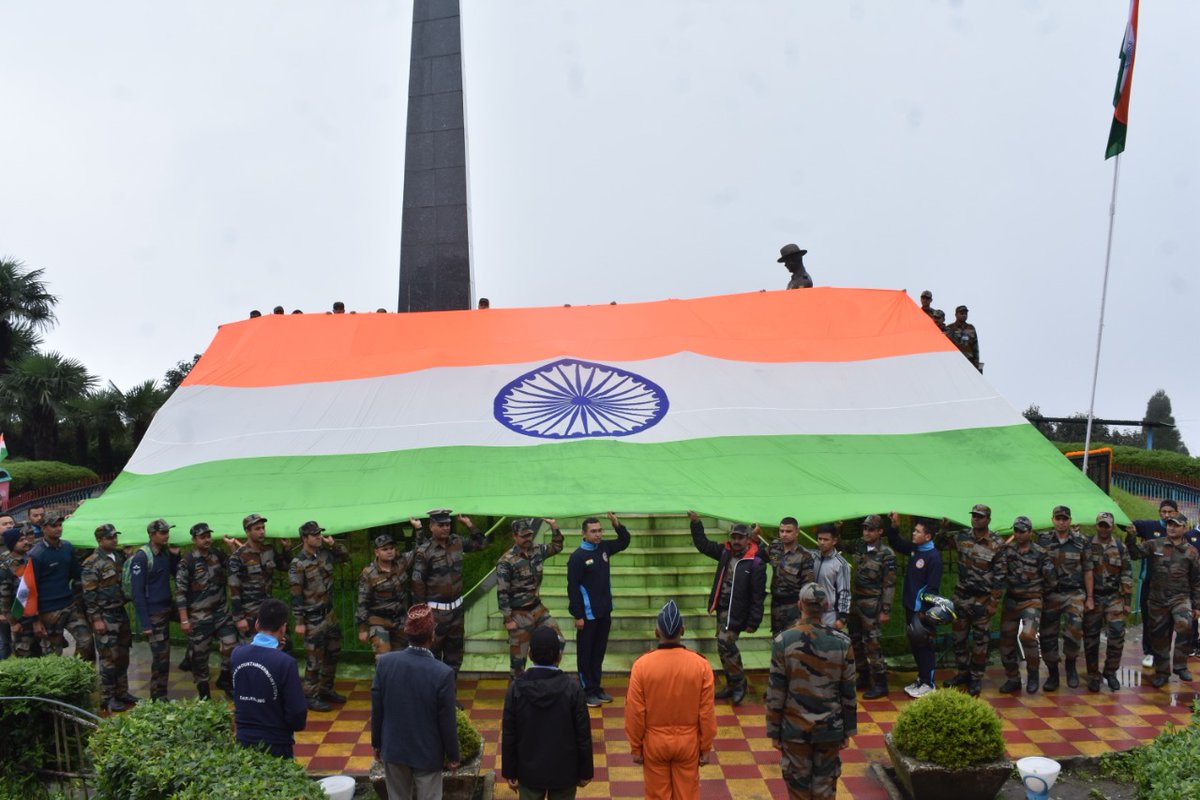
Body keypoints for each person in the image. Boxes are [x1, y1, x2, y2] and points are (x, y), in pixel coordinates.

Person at [766, 582, 857, 800]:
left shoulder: (784, 641)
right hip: (830, 728)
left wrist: (773, 730)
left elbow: (775, 693)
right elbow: (848, 692)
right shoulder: (843, 643)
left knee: (798, 789)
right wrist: (848, 730)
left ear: (800, 605)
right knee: (825, 789)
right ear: (826, 606)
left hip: (794, 729)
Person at [624, 600, 716, 800]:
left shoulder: (642, 666)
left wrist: (636, 747)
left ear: (657, 632)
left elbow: (635, 712)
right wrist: (705, 747)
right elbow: (706, 712)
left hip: (654, 742)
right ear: (683, 630)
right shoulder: (701, 666)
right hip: (689, 742)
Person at [372, 604, 461, 800]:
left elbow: (377, 708)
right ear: (432, 635)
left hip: (394, 749)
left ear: (407, 633)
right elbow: (447, 720)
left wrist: (377, 743)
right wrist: (453, 756)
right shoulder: (443, 673)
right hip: (428, 754)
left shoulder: (385, 663)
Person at [502, 626, 593, 799]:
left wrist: (509, 771)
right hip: (564, 773)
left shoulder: (516, 688)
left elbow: (509, 734)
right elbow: (583, 735)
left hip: (528, 773)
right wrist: (585, 771)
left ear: (529, 654)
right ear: (559, 656)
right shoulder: (573, 689)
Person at [688, 510, 766, 705]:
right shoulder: (725, 552)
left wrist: (754, 621)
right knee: (722, 646)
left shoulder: (755, 562)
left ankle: (740, 684)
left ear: (749, 539)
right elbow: (703, 545)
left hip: (738, 612)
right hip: (723, 609)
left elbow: (758, 595)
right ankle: (732, 685)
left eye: (741, 538)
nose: (737, 541)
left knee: (726, 644)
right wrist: (696, 523)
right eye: (734, 537)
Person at [411, 509, 490, 679]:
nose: (445, 528)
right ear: (431, 526)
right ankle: (432, 698)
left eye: (447, 524)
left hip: (456, 612)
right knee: (432, 656)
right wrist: (422, 615)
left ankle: (449, 697)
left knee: (454, 656)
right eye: (441, 525)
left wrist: (469, 524)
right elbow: (418, 584)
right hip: (435, 614)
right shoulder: (425, 551)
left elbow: (482, 544)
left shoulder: (457, 542)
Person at [1125, 513, 1200, 688]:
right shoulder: (1155, 544)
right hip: (1157, 599)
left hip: (1180, 598)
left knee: (1185, 624)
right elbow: (1134, 553)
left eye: (1176, 525)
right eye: (1169, 524)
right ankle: (1162, 672)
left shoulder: (1191, 552)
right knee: (1159, 636)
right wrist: (1131, 536)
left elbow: (1197, 580)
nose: (1172, 527)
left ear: (1184, 528)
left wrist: (1197, 605)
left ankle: (1180, 666)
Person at [566, 512, 631, 707]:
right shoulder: (577, 557)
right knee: (585, 654)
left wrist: (616, 523)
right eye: (594, 531)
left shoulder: (603, 548)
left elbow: (624, 541)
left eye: (600, 530)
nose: (598, 534)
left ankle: (596, 687)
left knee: (598, 653)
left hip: (604, 612)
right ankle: (587, 691)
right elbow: (572, 588)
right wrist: (578, 615)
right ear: (584, 533)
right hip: (587, 615)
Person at [230, 597, 308, 758]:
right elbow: (297, 711)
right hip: (276, 743)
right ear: (283, 628)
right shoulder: (285, 663)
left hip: (243, 739)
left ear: (257, 624)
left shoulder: (236, 654)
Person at [939, 503, 1003, 697]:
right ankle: (963, 672)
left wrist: (993, 602)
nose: (976, 519)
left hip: (982, 600)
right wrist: (943, 528)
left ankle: (976, 677)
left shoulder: (996, 543)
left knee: (980, 640)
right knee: (959, 638)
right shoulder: (962, 536)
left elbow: (1000, 576)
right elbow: (940, 544)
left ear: (988, 520)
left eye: (980, 516)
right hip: (961, 597)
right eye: (974, 515)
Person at [288, 520, 350, 712]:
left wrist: (333, 544)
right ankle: (310, 695)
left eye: (320, 534)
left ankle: (326, 689)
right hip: (312, 617)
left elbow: (346, 557)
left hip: (329, 614)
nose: (319, 537)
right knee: (315, 659)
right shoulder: (298, 563)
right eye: (315, 535)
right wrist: (299, 621)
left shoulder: (325, 554)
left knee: (333, 652)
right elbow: (296, 594)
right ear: (305, 538)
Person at [175, 522, 238, 699]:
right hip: (199, 617)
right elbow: (180, 592)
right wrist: (184, 619)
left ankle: (225, 679)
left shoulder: (217, 555)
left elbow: (234, 566)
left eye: (208, 536)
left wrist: (232, 548)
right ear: (194, 540)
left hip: (221, 613)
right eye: (202, 537)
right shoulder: (187, 562)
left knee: (231, 645)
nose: (207, 540)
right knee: (200, 657)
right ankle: (204, 693)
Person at [497, 518, 565, 679]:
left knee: (559, 641)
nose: (528, 539)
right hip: (519, 615)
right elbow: (502, 592)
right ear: (515, 536)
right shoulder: (506, 561)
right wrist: (508, 619)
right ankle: (516, 697)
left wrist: (554, 527)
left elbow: (557, 546)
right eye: (524, 536)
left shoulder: (537, 550)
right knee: (518, 664)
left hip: (538, 609)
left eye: (530, 535)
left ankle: (545, 675)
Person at [884, 513, 943, 697]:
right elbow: (896, 542)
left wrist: (924, 613)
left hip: (922, 612)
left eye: (917, 531)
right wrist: (893, 525)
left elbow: (932, 589)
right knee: (915, 645)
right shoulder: (915, 550)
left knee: (925, 645)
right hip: (910, 608)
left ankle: (929, 683)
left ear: (928, 536)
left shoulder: (934, 557)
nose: (913, 534)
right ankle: (922, 678)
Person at [995, 516, 1055, 694]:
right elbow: (998, 572)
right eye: (1016, 531)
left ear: (1030, 532)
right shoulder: (1007, 551)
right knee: (1006, 641)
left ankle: (1033, 675)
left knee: (1028, 636)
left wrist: (1038, 592)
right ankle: (1013, 678)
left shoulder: (1040, 553)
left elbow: (1051, 580)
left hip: (1031, 600)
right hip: (1012, 600)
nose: (1019, 534)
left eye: (1022, 531)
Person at [1037, 505, 1094, 691]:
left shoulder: (1081, 541)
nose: (1061, 522)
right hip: (1050, 594)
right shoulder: (1043, 540)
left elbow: (1088, 570)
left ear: (1070, 520)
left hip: (1074, 594)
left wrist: (1090, 597)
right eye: (1058, 518)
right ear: (1052, 519)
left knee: (1074, 631)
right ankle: (1052, 672)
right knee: (1047, 635)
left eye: (1064, 519)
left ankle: (1071, 665)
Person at [81, 524, 135, 712]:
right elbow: (89, 594)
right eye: (109, 537)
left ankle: (122, 692)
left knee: (123, 655)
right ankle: (107, 697)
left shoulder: (118, 557)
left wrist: (128, 556)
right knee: (108, 658)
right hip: (104, 615)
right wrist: (96, 619)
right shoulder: (92, 562)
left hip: (119, 612)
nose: (114, 539)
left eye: (115, 536)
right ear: (99, 540)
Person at [27, 512, 94, 662]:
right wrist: (36, 620)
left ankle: (76, 671)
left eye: (60, 525)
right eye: (53, 526)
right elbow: (30, 589)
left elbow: (77, 573)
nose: (58, 528)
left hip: (69, 604)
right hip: (48, 611)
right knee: (53, 654)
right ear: (44, 528)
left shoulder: (67, 547)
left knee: (86, 641)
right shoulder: (36, 555)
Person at [128, 518, 181, 701]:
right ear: (152, 535)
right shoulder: (142, 557)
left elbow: (175, 574)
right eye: (163, 532)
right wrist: (145, 623)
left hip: (167, 608)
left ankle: (162, 695)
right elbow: (137, 593)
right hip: (154, 614)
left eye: (167, 532)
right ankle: (158, 698)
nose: (167, 535)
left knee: (196, 627)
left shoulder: (165, 553)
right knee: (161, 657)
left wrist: (175, 555)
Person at [1084, 512, 1132, 692]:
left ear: (1112, 527)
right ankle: (1093, 675)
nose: (1104, 529)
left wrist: (1127, 601)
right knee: (1090, 638)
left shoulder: (1120, 547)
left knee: (1117, 635)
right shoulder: (1087, 545)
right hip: (1093, 597)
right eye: (1101, 525)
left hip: (1114, 597)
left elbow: (1127, 574)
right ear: (1096, 526)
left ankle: (1110, 672)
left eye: (1107, 526)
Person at [1128, 499, 1179, 667]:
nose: (1166, 515)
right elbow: (1128, 525)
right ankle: (1149, 652)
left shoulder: (1182, 533)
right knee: (1149, 618)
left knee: (1168, 621)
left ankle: (1163, 653)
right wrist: (1132, 533)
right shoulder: (1150, 527)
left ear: (1176, 513)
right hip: (1150, 582)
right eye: (1163, 511)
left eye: (1170, 512)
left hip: (1172, 587)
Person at [850, 515, 895, 699]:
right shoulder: (859, 546)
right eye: (865, 529)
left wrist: (886, 610)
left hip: (873, 605)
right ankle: (864, 675)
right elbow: (839, 544)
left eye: (871, 529)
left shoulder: (886, 553)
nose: (867, 532)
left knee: (873, 644)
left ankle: (881, 683)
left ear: (880, 531)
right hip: (856, 603)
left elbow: (889, 584)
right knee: (855, 641)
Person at [228, 513, 293, 643]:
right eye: (257, 529)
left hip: (268, 611)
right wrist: (239, 618)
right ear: (247, 531)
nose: (262, 532)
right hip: (249, 614)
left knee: (276, 646)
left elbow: (287, 567)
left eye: (263, 528)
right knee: (251, 649)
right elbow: (234, 588)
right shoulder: (238, 556)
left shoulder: (269, 550)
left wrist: (287, 549)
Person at [357, 533, 413, 657]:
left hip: (399, 620)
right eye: (385, 549)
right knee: (384, 659)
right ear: (377, 552)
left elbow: (420, 550)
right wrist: (362, 628)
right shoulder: (369, 573)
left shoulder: (401, 563)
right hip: (379, 621)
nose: (389, 552)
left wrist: (419, 529)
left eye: (391, 548)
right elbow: (362, 602)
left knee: (401, 658)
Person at [757, 517, 815, 636]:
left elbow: (807, 587)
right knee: (777, 641)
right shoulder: (775, 548)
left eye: (788, 531)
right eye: (781, 531)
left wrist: (804, 614)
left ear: (797, 532)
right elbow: (758, 558)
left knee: (793, 642)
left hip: (794, 607)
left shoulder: (804, 556)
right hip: (776, 605)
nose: (784, 534)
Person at [0, 526, 39, 658]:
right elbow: (4, 600)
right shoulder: (6, 568)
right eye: (20, 540)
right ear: (12, 544)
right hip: (20, 619)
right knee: (25, 655)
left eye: (25, 539)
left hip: (38, 615)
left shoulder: (32, 559)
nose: (26, 542)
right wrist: (13, 623)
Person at [811, 524, 850, 629]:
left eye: (826, 539)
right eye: (820, 539)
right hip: (811, 613)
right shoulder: (812, 557)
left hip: (830, 614)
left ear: (834, 541)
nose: (822, 542)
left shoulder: (841, 564)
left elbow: (844, 592)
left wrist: (842, 618)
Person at [945, 305, 981, 371]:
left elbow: (975, 347)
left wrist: (976, 364)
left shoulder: (971, 328)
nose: (964, 315)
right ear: (956, 314)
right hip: (955, 360)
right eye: (961, 313)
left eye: (965, 314)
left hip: (969, 360)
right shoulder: (950, 328)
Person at [0, 514, 14, 660]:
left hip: (19, 602)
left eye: (11, 523)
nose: (9, 526)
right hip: (3, 605)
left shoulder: (20, 542)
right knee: (5, 642)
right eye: (5, 524)